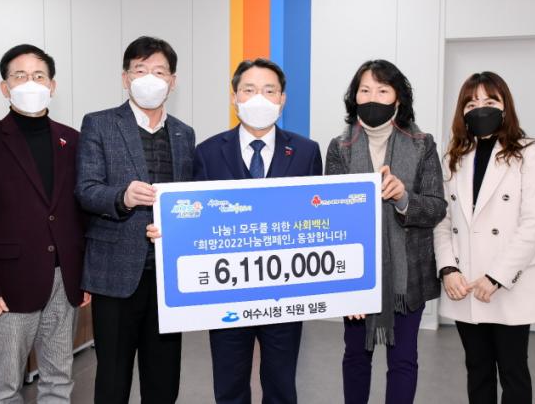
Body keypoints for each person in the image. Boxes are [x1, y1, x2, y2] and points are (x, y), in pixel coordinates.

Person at [0, 44, 89, 403]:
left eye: (38, 76)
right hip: (7, 285)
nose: (30, 83)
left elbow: (80, 212)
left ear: (52, 85)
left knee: (59, 378)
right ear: (5, 87)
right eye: (20, 76)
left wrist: (85, 275)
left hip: (64, 280)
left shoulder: (72, 140)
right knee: (6, 386)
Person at [192, 58, 322, 404]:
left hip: (285, 292)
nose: (259, 98)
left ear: (282, 99)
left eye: (269, 90)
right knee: (229, 385)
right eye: (249, 90)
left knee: (281, 384)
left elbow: (317, 218)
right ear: (234, 96)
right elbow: (195, 220)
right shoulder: (207, 153)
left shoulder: (306, 151)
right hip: (226, 293)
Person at [75, 36, 194, 404]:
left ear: (173, 81)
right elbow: (86, 189)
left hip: (167, 276)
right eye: (140, 70)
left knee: (163, 380)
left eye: (159, 71)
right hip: (115, 274)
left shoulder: (184, 134)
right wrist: (122, 198)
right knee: (112, 380)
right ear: (125, 78)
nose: (149, 79)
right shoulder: (99, 124)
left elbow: (189, 201)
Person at [325, 59, 446, 404]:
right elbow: (331, 216)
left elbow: (436, 207)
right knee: (355, 355)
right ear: (354, 97)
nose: (372, 98)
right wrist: (347, 284)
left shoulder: (422, 144)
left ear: (398, 98)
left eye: (382, 90)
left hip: (408, 278)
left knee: (403, 360)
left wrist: (403, 198)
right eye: (364, 90)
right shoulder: (339, 147)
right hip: (356, 271)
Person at [433, 71, 535, 404]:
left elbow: (534, 223)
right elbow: (442, 221)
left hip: (509, 282)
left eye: (490, 101)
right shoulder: (454, 157)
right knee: (477, 370)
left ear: (505, 106)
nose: (480, 109)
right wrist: (448, 269)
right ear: (462, 111)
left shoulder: (529, 153)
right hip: (466, 282)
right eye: (471, 103)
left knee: (513, 372)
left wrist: (497, 276)